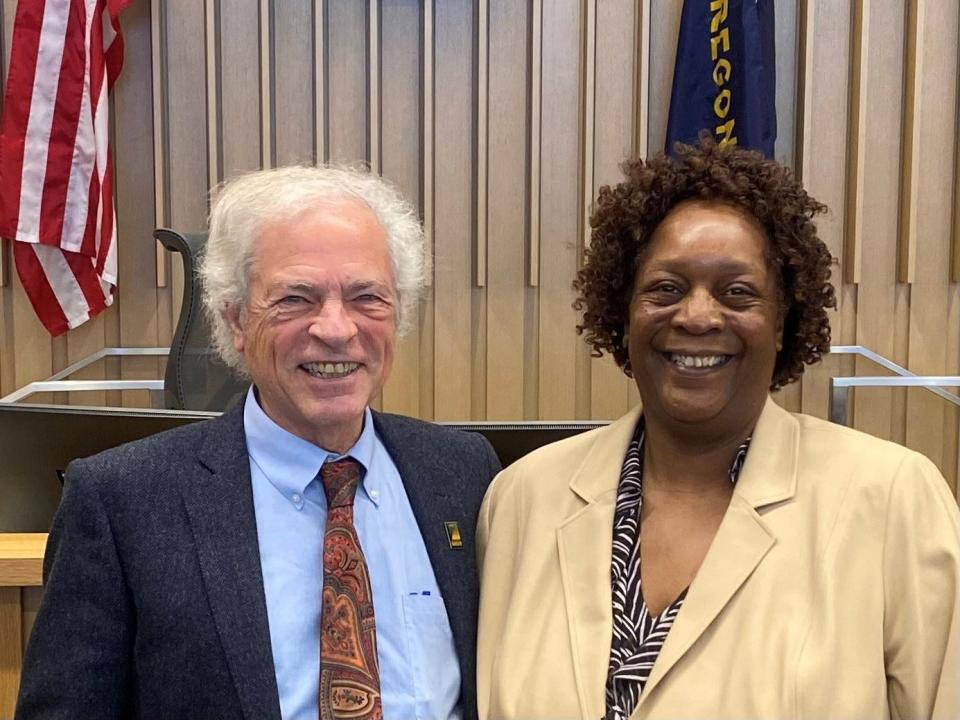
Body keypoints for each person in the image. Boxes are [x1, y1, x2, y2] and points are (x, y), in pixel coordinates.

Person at [476, 140, 960, 719]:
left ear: (781, 323)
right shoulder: (523, 501)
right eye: (666, 288)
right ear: (623, 311)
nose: (698, 316)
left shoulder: (892, 499)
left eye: (737, 292)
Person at [16, 166, 501, 720]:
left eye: (368, 296)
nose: (337, 329)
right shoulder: (121, 501)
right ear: (237, 320)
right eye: (296, 298)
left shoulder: (462, 472)